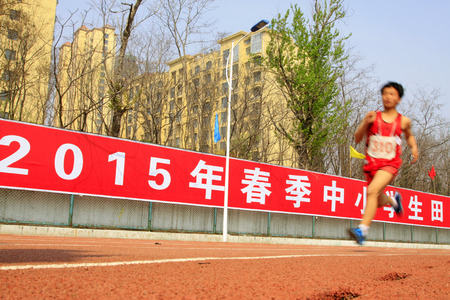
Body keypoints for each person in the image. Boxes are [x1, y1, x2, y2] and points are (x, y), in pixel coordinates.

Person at [349, 81, 419, 245]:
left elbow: (409, 135)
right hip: (371, 165)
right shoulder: (373, 117)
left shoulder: (403, 121)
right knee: (377, 200)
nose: (387, 97)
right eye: (385, 93)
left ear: (399, 99)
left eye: (392, 94)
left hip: (390, 165)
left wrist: (414, 148)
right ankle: (393, 201)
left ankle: (362, 230)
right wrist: (365, 123)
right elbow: (357, 138)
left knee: (372, 191)